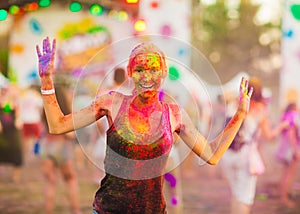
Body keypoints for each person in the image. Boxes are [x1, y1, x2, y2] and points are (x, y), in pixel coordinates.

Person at [36, 37, 252, 214]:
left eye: (153, 70)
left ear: (163, 72)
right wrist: (46, 81)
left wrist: (240, 115)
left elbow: (212, 154)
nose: (147, 76)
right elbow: (57, 125)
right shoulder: (111, 103)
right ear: (130, 73)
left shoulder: (174, 114)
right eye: (140, 70)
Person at [220, 77, 288, 214]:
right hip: (246, 156)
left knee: (236, 194)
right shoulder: (261, 109)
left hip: (227, 155)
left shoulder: (234, 104)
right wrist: (281, 127)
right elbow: (268, 135)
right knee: (244, 197)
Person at [39, 84, 81, 214]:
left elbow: (42, 129)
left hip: (46, 146)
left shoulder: (45, 110)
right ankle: (76, 211)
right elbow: (70, 134)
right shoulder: (66, 113)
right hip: (62, 146)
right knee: (70, 180)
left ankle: (48, 211)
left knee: (50, 182)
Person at [275, 102, 300, 208]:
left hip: (285, 148)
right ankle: (284, 199)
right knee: (289, 175)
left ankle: (284, 195)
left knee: (285, 174)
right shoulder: (294, 117)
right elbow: (291, 134)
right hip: (291, 150)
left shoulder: (286, 116)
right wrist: (295, 150)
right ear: (294, 108)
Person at [0, 82, 23, 183]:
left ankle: (16, 176)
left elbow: (19, 114)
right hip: (3, 130)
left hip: (13, 131)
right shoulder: (3, 99)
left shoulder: (17, 101)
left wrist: (18, 118)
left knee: (16, 152)